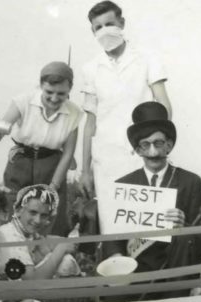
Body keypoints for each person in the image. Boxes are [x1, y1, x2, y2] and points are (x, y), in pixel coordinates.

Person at [92, 102, 201, 302]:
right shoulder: (125, 185)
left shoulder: (189, 182)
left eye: (159, 143)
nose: (153, 152)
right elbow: (115, 237)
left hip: (174, 272)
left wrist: (185, 226)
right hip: (136, 273)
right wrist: (116, 257)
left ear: (169, 145)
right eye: (145, 145)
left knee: (184, 235)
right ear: (137, 150)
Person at [80, 1, 172, 233]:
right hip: (107, 160)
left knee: (149, 228)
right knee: (113, 230)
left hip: (142, 154)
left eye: (110, 24)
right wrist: (85, 170)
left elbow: (163, 104)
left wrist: (159, 144)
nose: (104, 31)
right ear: (92, 32)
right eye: (98, 27)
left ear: (122, 23)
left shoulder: (146, 58)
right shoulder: (91, 69)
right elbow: (90, 123)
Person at [0, 61, 83, 236]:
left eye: (61, 94)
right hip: (21, 163)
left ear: (70, 89)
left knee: (50, 220)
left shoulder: (74, 112)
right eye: (49, 92)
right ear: (41, 86)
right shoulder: (22, 101)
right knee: (14, 215)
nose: (54, 99)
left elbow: (68, 153)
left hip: (52, 168)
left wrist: (53, 186)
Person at [0, 184, 81, 279]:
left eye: (44, 215)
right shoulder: (10, 236)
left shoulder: (25, 232)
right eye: (33, 212)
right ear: (18, 210)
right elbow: (33, 281)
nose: (37, 220)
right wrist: (61, 248)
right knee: (66, 262)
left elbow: (42, 242)